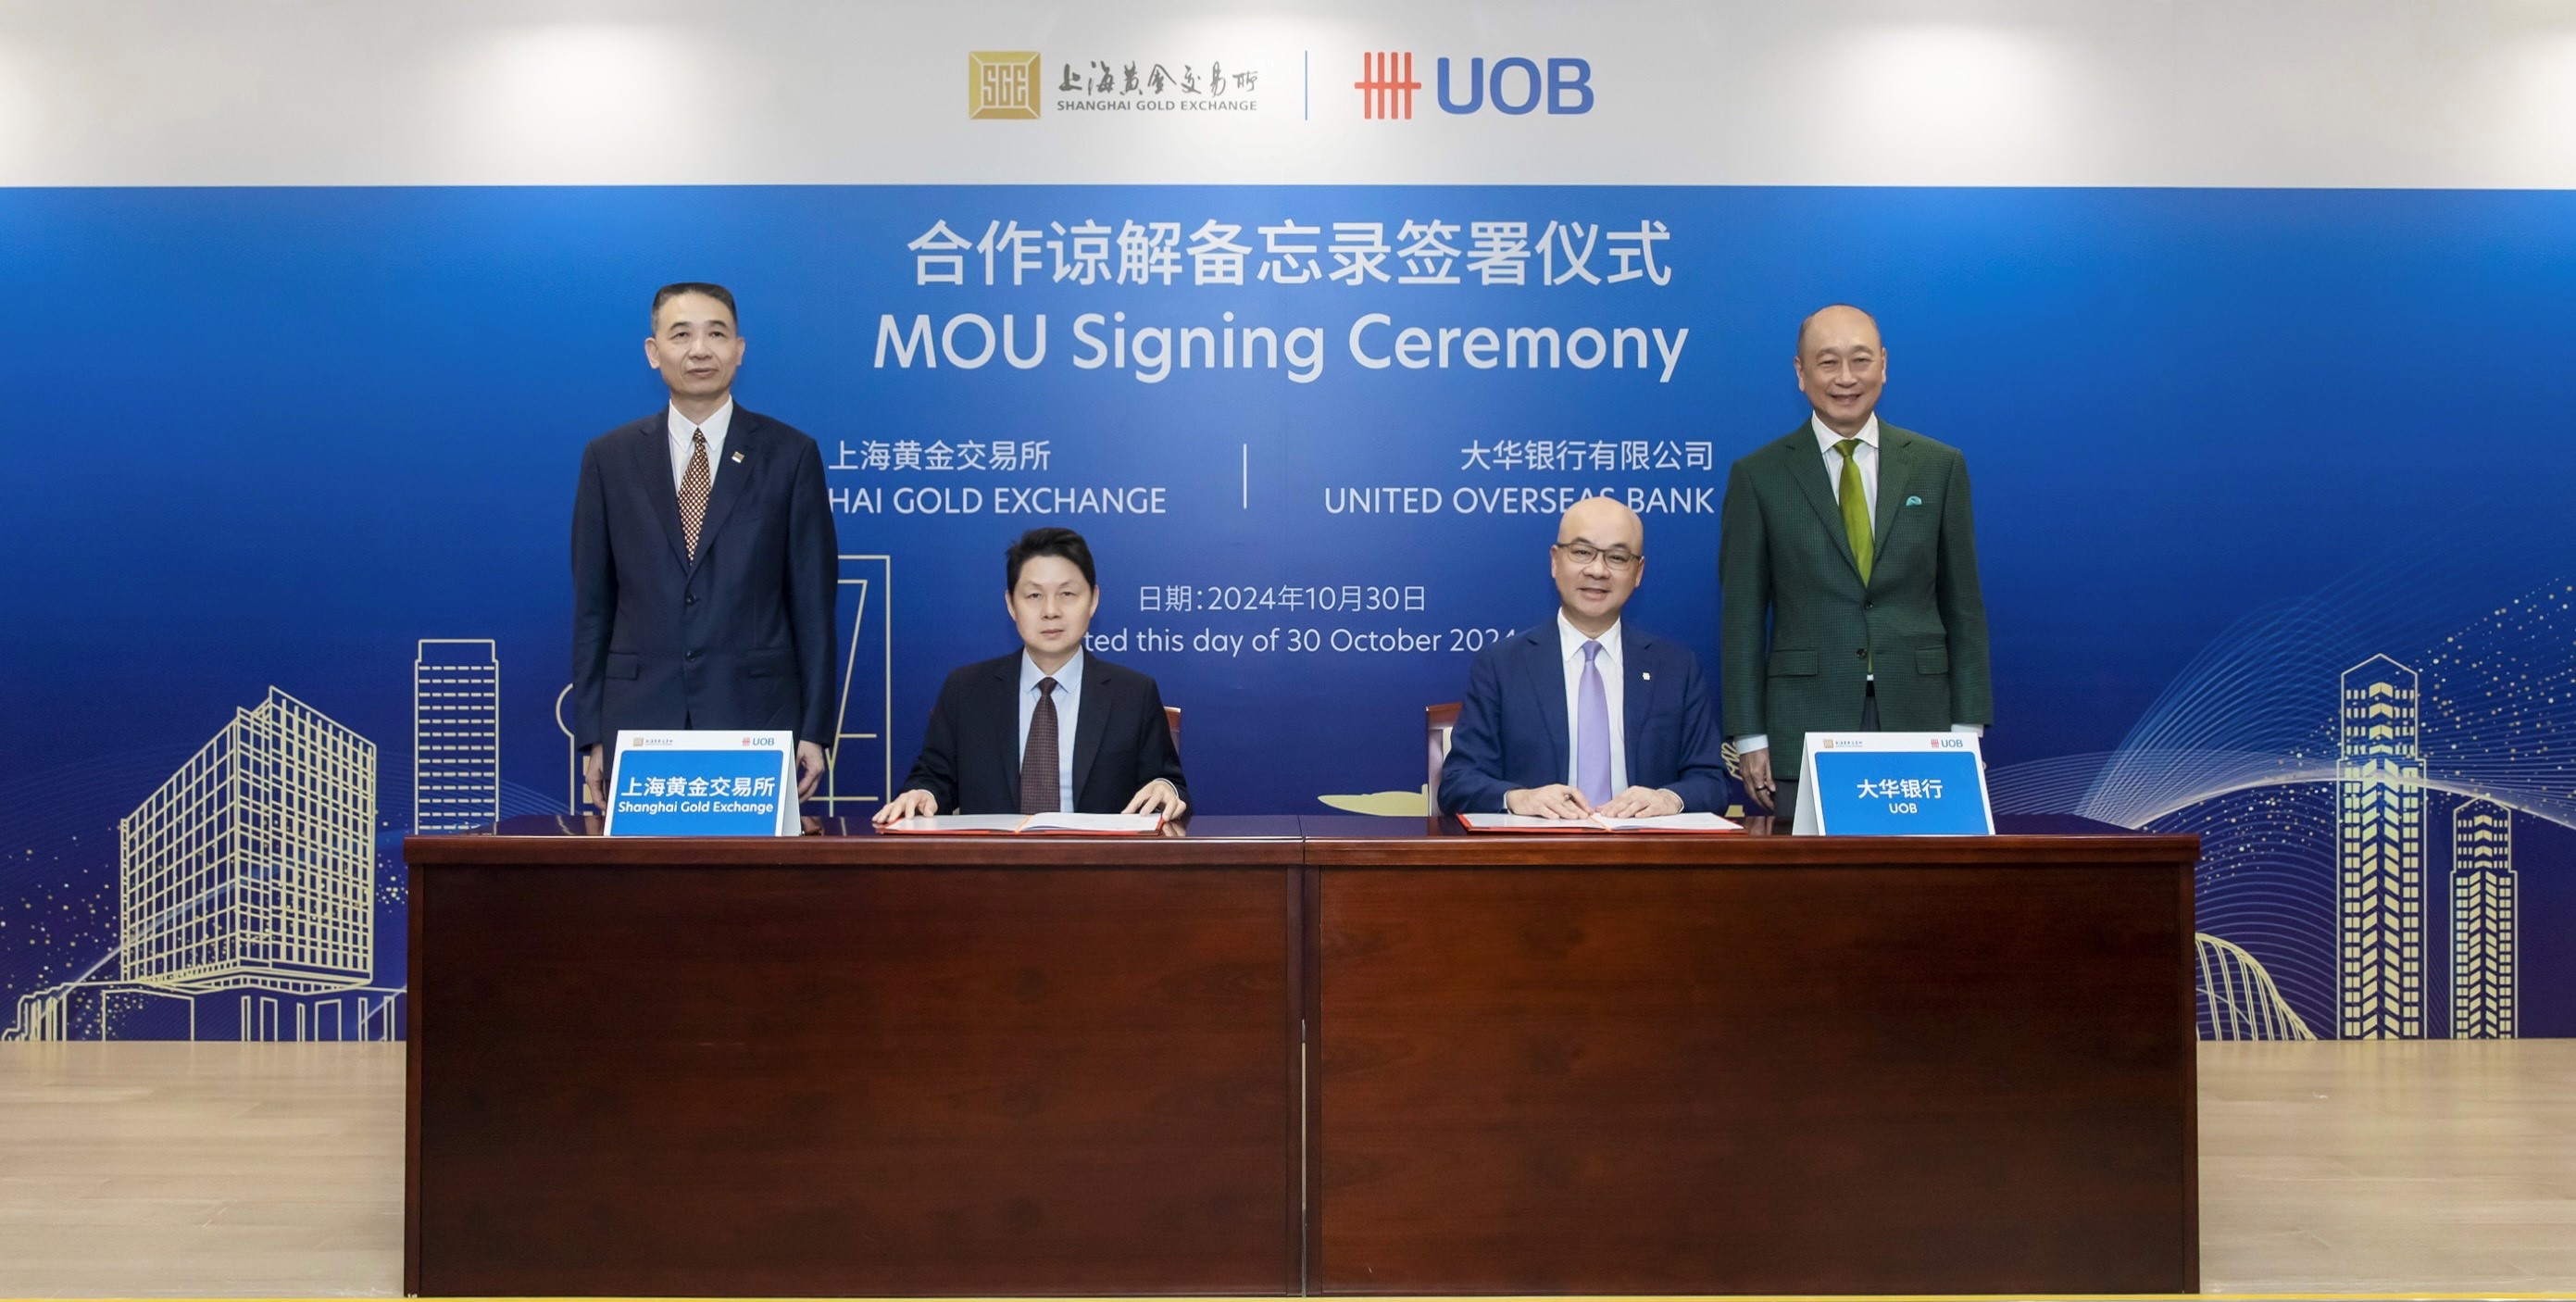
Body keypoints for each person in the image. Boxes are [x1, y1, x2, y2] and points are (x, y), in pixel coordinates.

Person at [571, 282, 839, 809]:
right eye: (681, 335)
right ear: (654, 352)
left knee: (750, 866)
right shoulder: (609, 458)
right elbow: (592, 607)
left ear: (739, 349)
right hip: (639, 720)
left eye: (716, 334)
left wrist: (814, 730)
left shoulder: (790, 455)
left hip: (757, 716)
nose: (699, 350)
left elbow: (813, 605)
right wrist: (593, 733)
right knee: (645, 866)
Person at [1719, 304, 1992, 816]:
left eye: (1860, 360)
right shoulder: (1759, 476)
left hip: (1923, 719)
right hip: (1803, 723)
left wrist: (1967, 726)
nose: (1846, 378)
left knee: (1921, 864)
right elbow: (1742, 618)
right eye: (1828, 362)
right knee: (1811, 869)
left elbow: (1964, 606)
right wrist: (1751, 735)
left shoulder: (1939, 467)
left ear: (1883, 365)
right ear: (1801, 372)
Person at [1438, 497, 1730, 818]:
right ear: (1555, 561)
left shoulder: (1676, 668)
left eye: (1617, 557)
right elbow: (1458, 782)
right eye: (1581, 552)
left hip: (1642, 846)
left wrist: (1669, 799)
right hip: (1539, 846)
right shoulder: (1501, 665)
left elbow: (1712, 782)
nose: (1597, 570)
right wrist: (1519, 798)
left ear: (1638, 572)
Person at [876, 528, 1189, 821]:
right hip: (993, 859)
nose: (1051, 611)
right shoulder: (966, 691)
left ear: (1093, 600)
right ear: (1011, 604)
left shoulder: (1133, 694)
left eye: (1067, 594)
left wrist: (1166, 789)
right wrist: (923, 793)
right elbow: (933, 778)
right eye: (1034, 596)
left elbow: (1168, 783)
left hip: (1097, 860)